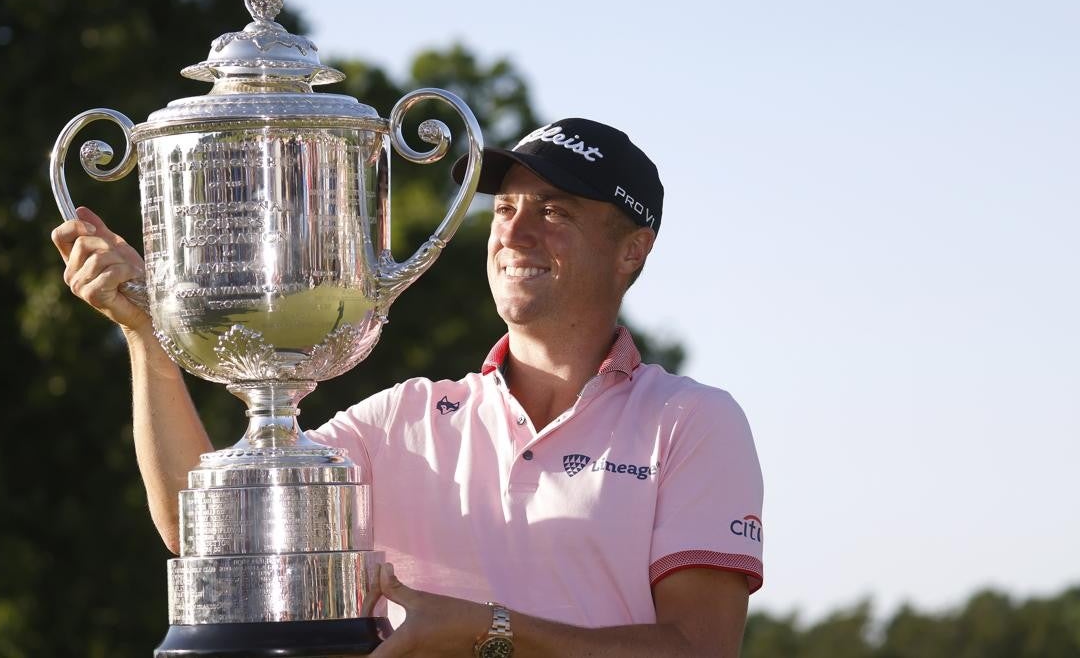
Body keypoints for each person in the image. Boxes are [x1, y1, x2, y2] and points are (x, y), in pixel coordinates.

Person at [52, 117, 764, 657]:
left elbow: (699, 647)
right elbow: (206, 538)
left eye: (556, 211)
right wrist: (147, 337)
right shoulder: (405, 419)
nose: (515, 234)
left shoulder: (690, 421)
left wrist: (488, 631)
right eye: (507, 208)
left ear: (632, 250)